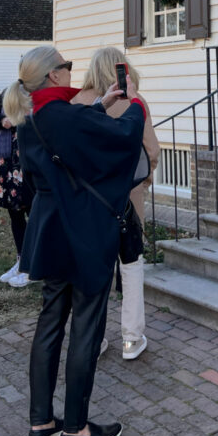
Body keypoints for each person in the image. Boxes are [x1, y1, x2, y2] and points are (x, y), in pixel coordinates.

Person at [3, 45, 146, 436]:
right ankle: (77, 429)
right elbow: (120, 138)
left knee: (50, 322)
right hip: (82, 229)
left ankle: (40, 425)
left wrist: (103, 104)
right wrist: (132, 100)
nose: (70, 71)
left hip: (48, 228)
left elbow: (73, 137)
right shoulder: (60, 115)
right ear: (52, 76)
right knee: (86, 323)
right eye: (65, 67)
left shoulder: (32, 117)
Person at [72, 47, 160, 361]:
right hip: (127, 196)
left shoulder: (78, 104)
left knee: (95, 268)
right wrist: (142, 184)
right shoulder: (134, 103)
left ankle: (92, 340)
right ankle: (132, 339)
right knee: (131, 264)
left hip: (88, 200)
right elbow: (151, 151)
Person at [0, 94, 34, 287]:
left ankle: (32, 266)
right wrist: (3, 120)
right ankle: (21, 262)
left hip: (27, 167)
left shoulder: (39, 95)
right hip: (6, 166)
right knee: (15, 215)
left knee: (33, 215)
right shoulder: (10, 92)